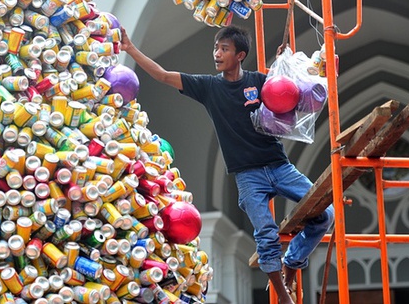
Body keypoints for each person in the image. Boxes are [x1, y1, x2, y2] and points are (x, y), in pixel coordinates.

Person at [120, 25, 334, 304]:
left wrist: (296, 70)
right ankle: (282, 296)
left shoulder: (259, 81)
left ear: (240, 55)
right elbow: (162, 75)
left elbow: (294, 99)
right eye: (215, 48)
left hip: (280, 166)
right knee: (267, 234)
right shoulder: (209, 87)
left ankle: (291, 265)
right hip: (248, 177)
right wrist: (130, 48)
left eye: (224, 49)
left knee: (325, 215)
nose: (217, 54)